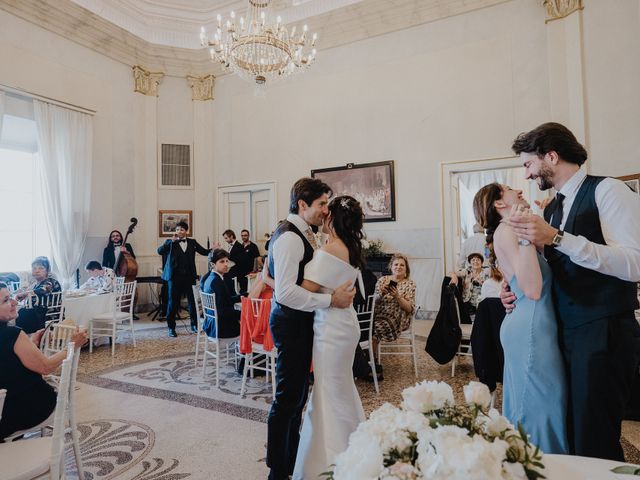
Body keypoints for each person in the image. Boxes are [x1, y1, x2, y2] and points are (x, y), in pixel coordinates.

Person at [501, 122, 640, 460]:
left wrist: (557, 238)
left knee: (595, 438)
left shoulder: (607, 191)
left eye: (529, 164)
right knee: (573, 435)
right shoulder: (552, 209)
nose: (528, 175)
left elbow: (635, 263)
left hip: (603, 331)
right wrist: (511, 289)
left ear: (552, 155)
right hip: (564, 333)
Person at [265, 177, 355, 480]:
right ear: (302, 205)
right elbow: (285, 293)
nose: (325, 210)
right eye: (321, 204)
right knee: (288, 398)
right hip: (290, 324)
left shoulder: (305, 233)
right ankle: (278, 471)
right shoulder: (290, 238)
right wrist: (331, 299)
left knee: (297, 397)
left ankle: (291, 462)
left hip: (301, 323)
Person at [474, 183, 568, 453]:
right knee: (539, 412)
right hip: (531, 329)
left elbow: (519, 280)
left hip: (533, 324)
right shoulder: (507, 232)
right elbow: (532, 289)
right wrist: (526, 233)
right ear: (499, 204)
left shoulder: (510, 231)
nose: (518, 188)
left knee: (543, 406)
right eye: (507, 188)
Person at [292, 195, 367, 479]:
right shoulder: (348, 246)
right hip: (344, 325)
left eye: (327, 211)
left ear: (334, 219)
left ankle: (335, 459)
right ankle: (353, 445)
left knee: (330, 391)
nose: (323, 215)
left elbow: (304, 288)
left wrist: (270, 279)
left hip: (331, 329)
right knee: (339, 388)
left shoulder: (329, 251)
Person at [0, 282, 87, 440]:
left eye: (11, 297)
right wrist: (72, 346)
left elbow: (8, 364)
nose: (14, 302)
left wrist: (31, 344)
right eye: (6, 300)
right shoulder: (12, 334)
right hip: (24, 409)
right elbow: (46, 367)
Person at [157, 221, 210, 337]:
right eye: (177, 229)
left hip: (189, 276)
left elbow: (204, 252)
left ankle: (194, 325)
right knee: (173, 302)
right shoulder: (169, 242)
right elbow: (159, 251)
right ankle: (171, 328)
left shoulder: (192, 242)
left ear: (186, 231)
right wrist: (171, 242)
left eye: (181, 229)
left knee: (192, 302)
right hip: (174, 277)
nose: (179, 231)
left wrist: (213, 249)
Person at [371, 254, 416, 372]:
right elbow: (373, 302)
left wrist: (398, 297)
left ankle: (372, 362)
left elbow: (410, 309)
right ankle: (369, 360)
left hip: (398, 318)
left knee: (373, 329)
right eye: (396, 264)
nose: (398, 267)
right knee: (366, 327)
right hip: (379, 315)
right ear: (391, 266)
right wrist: (381, 294)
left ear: (406, 269)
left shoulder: (410, 284)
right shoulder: (382, 280)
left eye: (402, 265)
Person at [200, 249, 241, 339]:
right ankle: (251, 351)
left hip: (212, 324)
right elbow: (222, 311)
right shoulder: (216, 281)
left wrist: (242, 297)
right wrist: (243, 314)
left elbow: (225, 300)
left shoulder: (211, 278)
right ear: (212, 264)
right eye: (222, 261)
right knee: (253, 322)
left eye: (227, 261)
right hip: (221, 328)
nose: (226, 264)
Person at [15, 257, 62, 334]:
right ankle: (22, 338)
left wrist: (26, 293)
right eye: (34, 268)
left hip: (49, 315)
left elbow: (43, 290)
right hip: (38, 314)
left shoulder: (51, 281)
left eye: (41, 268)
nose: (37, 271)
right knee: (19, 313)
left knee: (21, 314)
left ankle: (22, 339)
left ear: (47, 271)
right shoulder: (35, 285)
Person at [222, 229, 246, 294]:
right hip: (232, 270)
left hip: (238, 271)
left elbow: (239, 260)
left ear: (231, 237)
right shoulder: (231, 246)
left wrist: (226, 255)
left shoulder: (239, 246)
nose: (225, 240)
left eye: (226, 238)